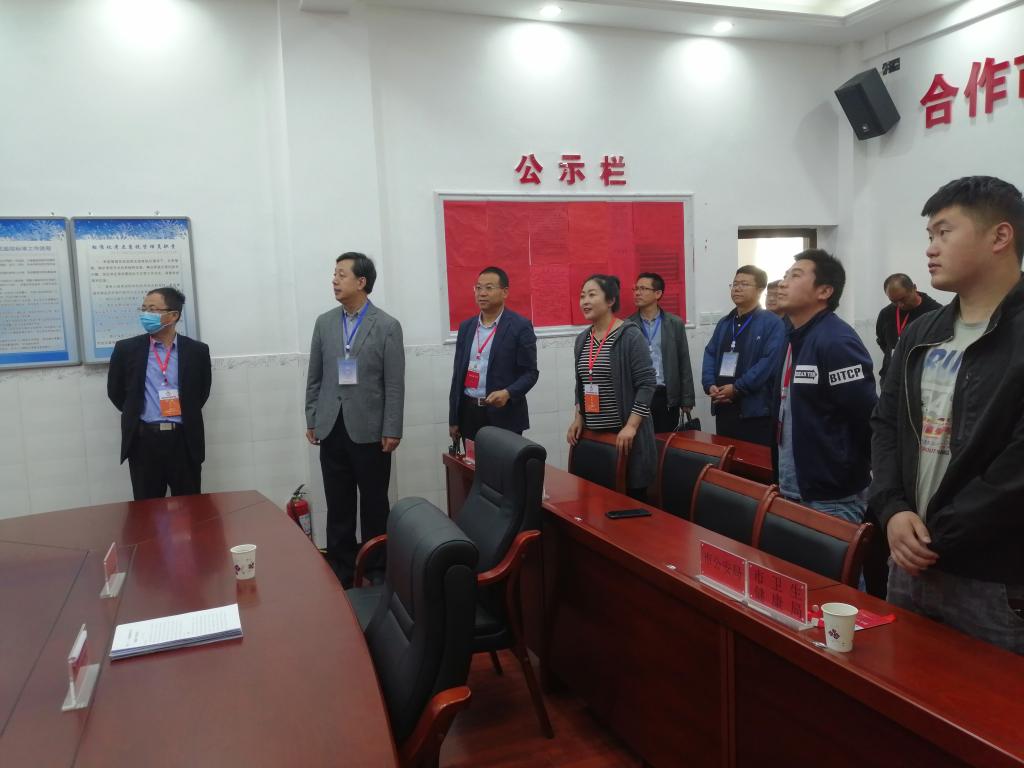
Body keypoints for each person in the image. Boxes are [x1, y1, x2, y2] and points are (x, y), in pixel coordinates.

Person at [870, 176, 1024, 654]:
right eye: (929, 236)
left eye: (944, 232)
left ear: (1000, 236)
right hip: (909, 559)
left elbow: (1016, 468)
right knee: (900, 686)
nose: (930, 249)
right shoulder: (923, 332)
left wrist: (938, 535)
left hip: (994, 577)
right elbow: (886, 424)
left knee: (990, 700)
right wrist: (892, 510)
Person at [305, 252, 405, 588]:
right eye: (334, 274)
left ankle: (377, 569)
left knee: (375, 503)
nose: (334, 280)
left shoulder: (387, 326)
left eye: (341, 274)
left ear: (361, 282)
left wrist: (392, 428)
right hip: (332, 426)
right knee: (338, 503)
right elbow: (315, 376)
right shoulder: (324, 323)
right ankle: (342, 570)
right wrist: (312, 417)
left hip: (371, 431)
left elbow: (394, 383)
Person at [773, 250, 876, 523]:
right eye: (785, 275)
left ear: (824, 291)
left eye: (795, 276)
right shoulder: (792, 337)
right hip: (795, 486)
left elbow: (866, 417)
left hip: (832, 496)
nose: (783, 283)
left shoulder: (836, 341)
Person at [107, 287, 211, 500]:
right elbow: (116, 392)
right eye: (143, 309)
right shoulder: (126, 349)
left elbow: (201, 393)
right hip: (144, 441)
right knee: (147, 508)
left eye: (153, 309)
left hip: (184, 440)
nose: (146, 314)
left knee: (190, 505)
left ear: (173, 315)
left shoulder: (197, 351)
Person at [567, 275, 657, 499]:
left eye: (592, 295)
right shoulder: (582, 339)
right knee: (597, 500)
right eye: (582, 296)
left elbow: (647, 384)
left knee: (628, 501)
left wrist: (632, 426)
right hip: (594, 436)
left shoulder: (630, 335)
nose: (585, 301)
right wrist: (578, 417)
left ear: (610, 301)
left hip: (624, 435)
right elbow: (581, 383)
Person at [448, 266, 539, 443]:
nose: (482, 293)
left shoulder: (520, 327)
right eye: (478, 288)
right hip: (469, 414)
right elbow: (457, 376)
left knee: (503, 461)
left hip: (505, 415)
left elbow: (530, 373)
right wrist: (454, 418)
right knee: (473, 461)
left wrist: (507, 393)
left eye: (489, 288)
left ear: (505, 292)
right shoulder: (466, 327)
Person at [701, 266, 785, 446]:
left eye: (744, 284)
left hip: (754, 411)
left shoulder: (772, 323)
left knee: (753, 460)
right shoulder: (725, 322)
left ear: (760, 290)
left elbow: (769, 363)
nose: (737, 288)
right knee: (726, 457)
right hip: (723, 405)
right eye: (735, 284)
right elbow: (710, 352)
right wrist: (709, 384)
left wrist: (737, 388)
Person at [626, 272, 695, 433]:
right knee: (642, 442)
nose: (637, 293)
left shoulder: (674, 323)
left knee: (666, 442)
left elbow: (684, 361)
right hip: (639, 396)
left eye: (643, 289)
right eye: (636, 289)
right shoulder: (628, 325)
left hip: (666, 395)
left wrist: (687, 399)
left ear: (657, 293)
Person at [874, 274, 943, 382]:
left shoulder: (936, 313)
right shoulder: (886, 313)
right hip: (891, 378)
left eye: (903, 299)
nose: (900, 305)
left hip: (921, 380)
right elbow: (882, 341)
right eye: (894, 301)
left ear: (914, 288)